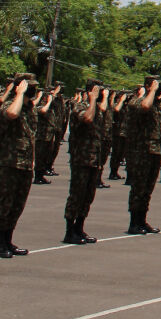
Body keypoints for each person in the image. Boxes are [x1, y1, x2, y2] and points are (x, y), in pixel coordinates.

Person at [0, 74, 39, 258]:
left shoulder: (30, 108)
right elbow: (11, 114)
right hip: (9, 163)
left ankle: (8, 240)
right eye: (29, 86)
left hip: (25, 164)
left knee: (18, 205)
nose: (33, 90)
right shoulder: (10, 104)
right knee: (5, 203)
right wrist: (18, 94)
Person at [63, 80, 107, 244]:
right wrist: (92, 99)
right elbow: (87, 119)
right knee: (77, 195)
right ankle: (69, 231)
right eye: (98, 90)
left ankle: (79, 228)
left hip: (94, 159)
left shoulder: (97, 110)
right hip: (81, 158)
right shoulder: (80, 106)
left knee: (88, 196)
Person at [124, 76, 161, 234]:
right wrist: (151, 91)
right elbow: (145, 106)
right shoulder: (137, 101)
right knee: (139, 188)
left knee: (148, 189)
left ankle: (142, 220)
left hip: (155, 150)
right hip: (141, 151)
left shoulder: (157, 104)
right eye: (154, 85)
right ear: (147, 86)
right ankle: (134, 222)